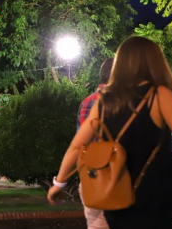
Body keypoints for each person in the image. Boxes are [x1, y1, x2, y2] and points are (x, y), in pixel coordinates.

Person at [47, 37, 172, 228]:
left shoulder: (105, 102)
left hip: (117, 198)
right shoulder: (159, 96)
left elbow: (76, 146)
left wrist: (59, 183)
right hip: (153, 200)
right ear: (155, 62)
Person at [75, 57, 114, 229]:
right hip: (118, 178)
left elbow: (80, 144)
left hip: (91, 178)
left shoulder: (87, 102)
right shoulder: (128, 103)